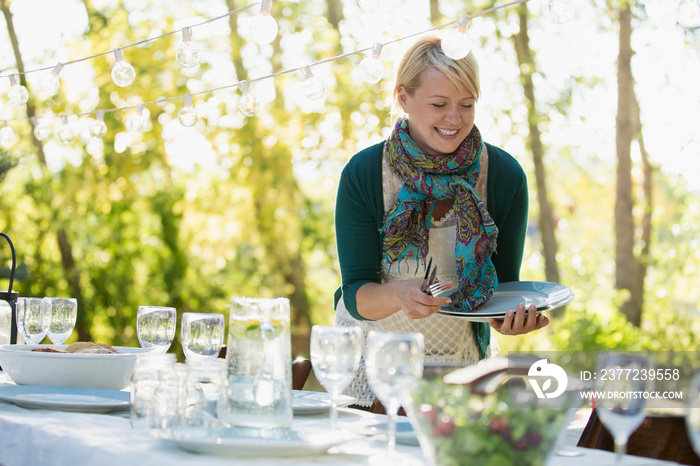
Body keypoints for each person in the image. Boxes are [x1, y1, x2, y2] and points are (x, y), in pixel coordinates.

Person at [333, 36, 549, 407]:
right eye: (439, 104)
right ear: (404, 98)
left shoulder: (503, 176)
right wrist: (400, 294)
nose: (455, 118)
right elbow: (355, 294)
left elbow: (499, 294)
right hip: (371, 372)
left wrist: (508, 319)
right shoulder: (365, 173)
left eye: (467, 104)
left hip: (460, 372)